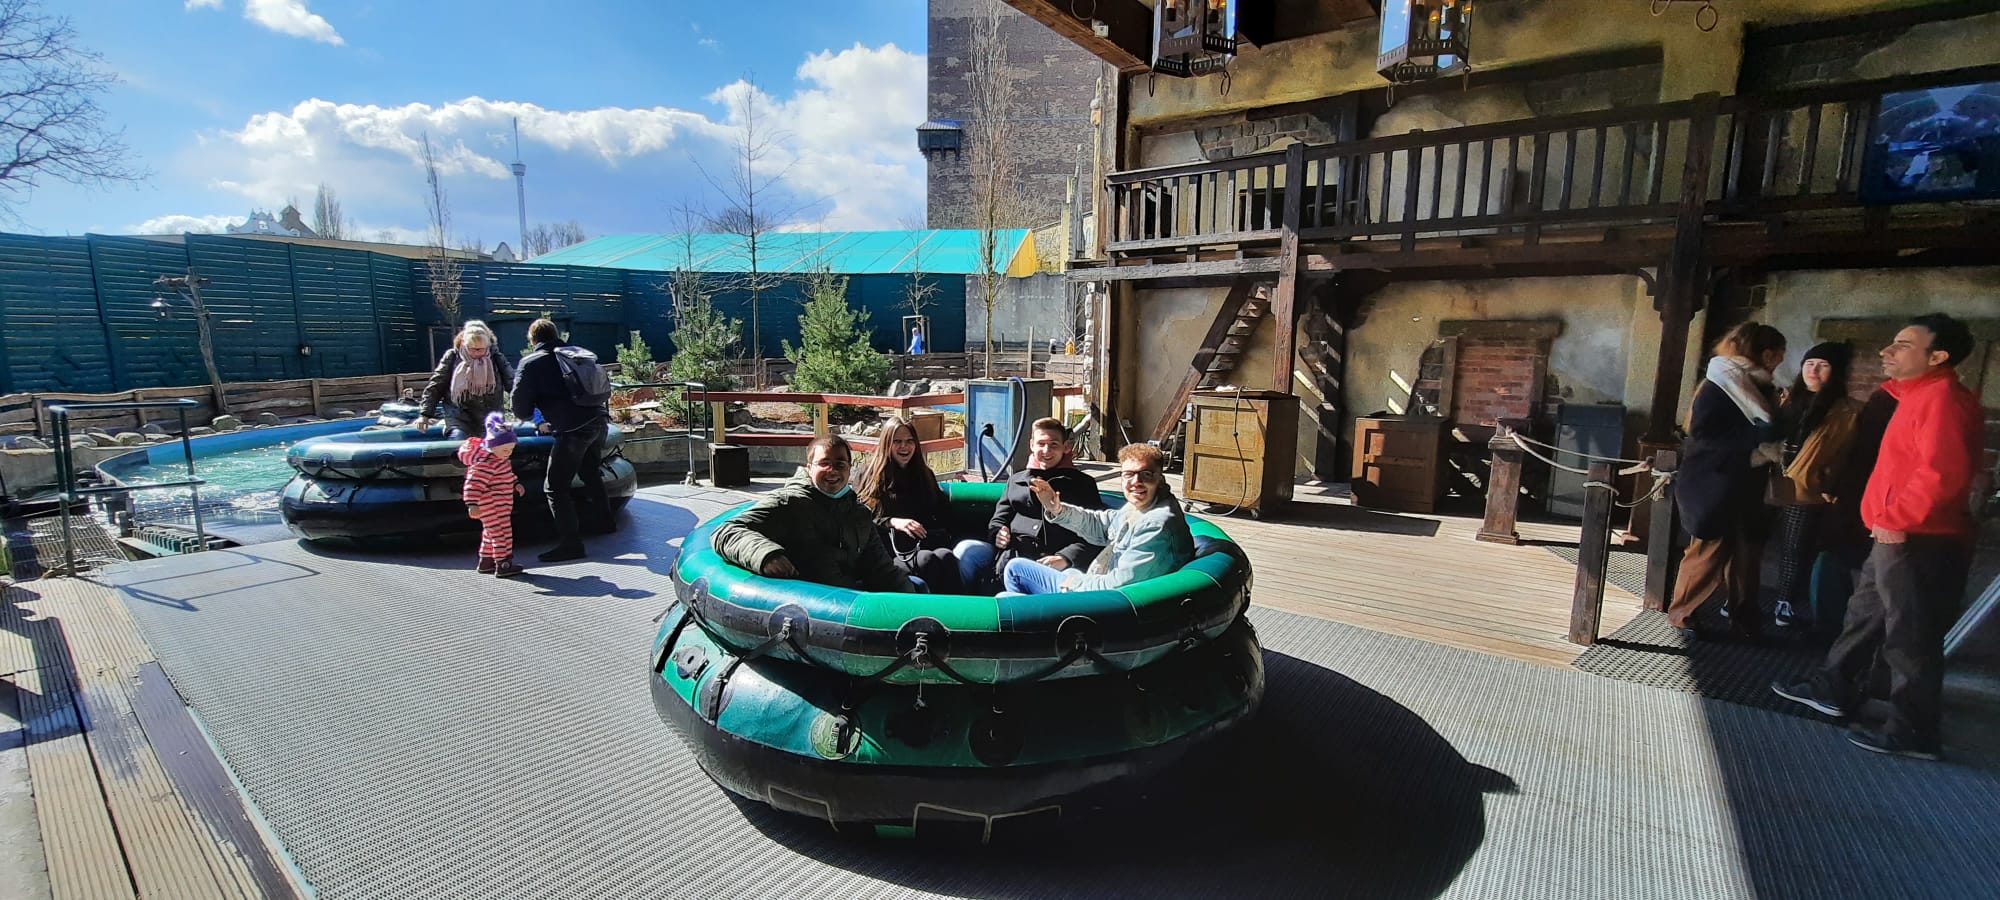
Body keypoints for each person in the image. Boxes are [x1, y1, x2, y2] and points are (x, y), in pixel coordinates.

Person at [1773, 314, 1984, 761]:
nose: (1887, 351)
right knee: (1864, 613)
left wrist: (1898, 519)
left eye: (1902, 345)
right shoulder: (1917, 395)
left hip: (1917, 536)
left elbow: (1941, 474)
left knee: (1910, 635)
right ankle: (1833, 685)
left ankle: (1913, 731)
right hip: (1894, 532)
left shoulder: (1942, 400)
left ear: (1937, 356)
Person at [1666, 321, 1788, 641]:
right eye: (1778, 354)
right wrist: (1757, 440)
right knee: (1707, 553)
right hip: (1715, 480)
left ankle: (1744, 618)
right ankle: (1682, 614)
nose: (1780, 361)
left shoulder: (1758, 386)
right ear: (1766, 353)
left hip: (1748, 483)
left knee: (1748, 556)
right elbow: (1703, 432)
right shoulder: (1719, 383)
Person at [712, 435, 916, 593]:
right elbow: (726, 531)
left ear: (849, 469)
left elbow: (881, 567)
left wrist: (913, 603)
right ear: (809, 468)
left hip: (851, 606)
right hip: (805, 609)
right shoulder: (788, 503)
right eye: (824, 463)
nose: (832, 470)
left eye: (840, 464)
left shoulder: (859, 514)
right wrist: (766, 556)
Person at [1002, 443, 1195, 594]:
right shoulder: (1145, 504)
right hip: (1108, 592)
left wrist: (1071, 582)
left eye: (1146, 474)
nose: (1136, 482)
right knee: (1014, 596)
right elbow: (1103, 524)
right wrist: (1058, 509)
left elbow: (1117, 585)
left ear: (1160, 478)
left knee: (1015, 569)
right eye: (1129, 475)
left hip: (1109, 609)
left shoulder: (1156, 524)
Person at [1765, 342, 1864, 629]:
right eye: (1809, 364)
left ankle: (1785, 601)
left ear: (1836, 372)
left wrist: (1830, 483)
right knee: (1754, 539)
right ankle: (1738, 597)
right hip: (1770, 477)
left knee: (1795, 547)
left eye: (1823, 365)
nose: (1814, 370)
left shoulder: (1846, 410)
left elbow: (1848, 454)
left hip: (1806, 484)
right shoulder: (1785, 399)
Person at [952, 417, 1104, 591]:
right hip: (1012, 552)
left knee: (1070, 578)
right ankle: (965, 598)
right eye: (1041, 444)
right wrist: (998, 533)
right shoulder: (1017, 480)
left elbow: (1097, 532)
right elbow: (999, 519)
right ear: (1032, 445)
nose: (1046, 450)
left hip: (1053, 560)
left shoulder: (1081, 484)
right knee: (966, 549)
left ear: (1066, 447)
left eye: (1053, 445)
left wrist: (1066, 557)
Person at [511, 318, 610, 563]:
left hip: (572, 428)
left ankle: (571, 544)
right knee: (591, 472)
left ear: (532, 339)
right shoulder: (578, 354)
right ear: (556, 335)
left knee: (555, 487)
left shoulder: (531, 363)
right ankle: (605, 523)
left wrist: (536, 413)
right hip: (598, 420)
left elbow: (520, 408)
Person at [854, 416, 962, 592]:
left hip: (921, 544)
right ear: (886, 444)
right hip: (888, 552)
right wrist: (892, 522)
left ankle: (959, 607)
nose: (904, 447)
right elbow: (860, 519)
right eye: (897, 441)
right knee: (927, 560)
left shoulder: (924, 474)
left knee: (946, 556)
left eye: (909, 441)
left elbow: (944, 512)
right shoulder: (869, 475)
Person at [416, 320, 515, 438]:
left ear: (488, 346)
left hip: (490, 416)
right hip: (458, 416)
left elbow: (512, 384)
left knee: (498, 443)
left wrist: (524, 411)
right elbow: (436, 386)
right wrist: (425, 414)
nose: (476, 353)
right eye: (471, 349)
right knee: (458, 438)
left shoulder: (496, 359)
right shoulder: (452, 357)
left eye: (481, 349)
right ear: (464, 344)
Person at [459, 412, 528, 578]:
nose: (508, 453)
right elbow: (473, 484)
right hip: (491, 504)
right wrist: (472, 503)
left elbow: (506, 475)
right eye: (505, 449)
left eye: (511, 449)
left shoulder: (500, 460)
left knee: (490, 532)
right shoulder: (485, 463)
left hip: (501, 504)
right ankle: (503, 563)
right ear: (493, 446)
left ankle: (486, 560)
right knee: (501, 533)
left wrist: (515, 483)